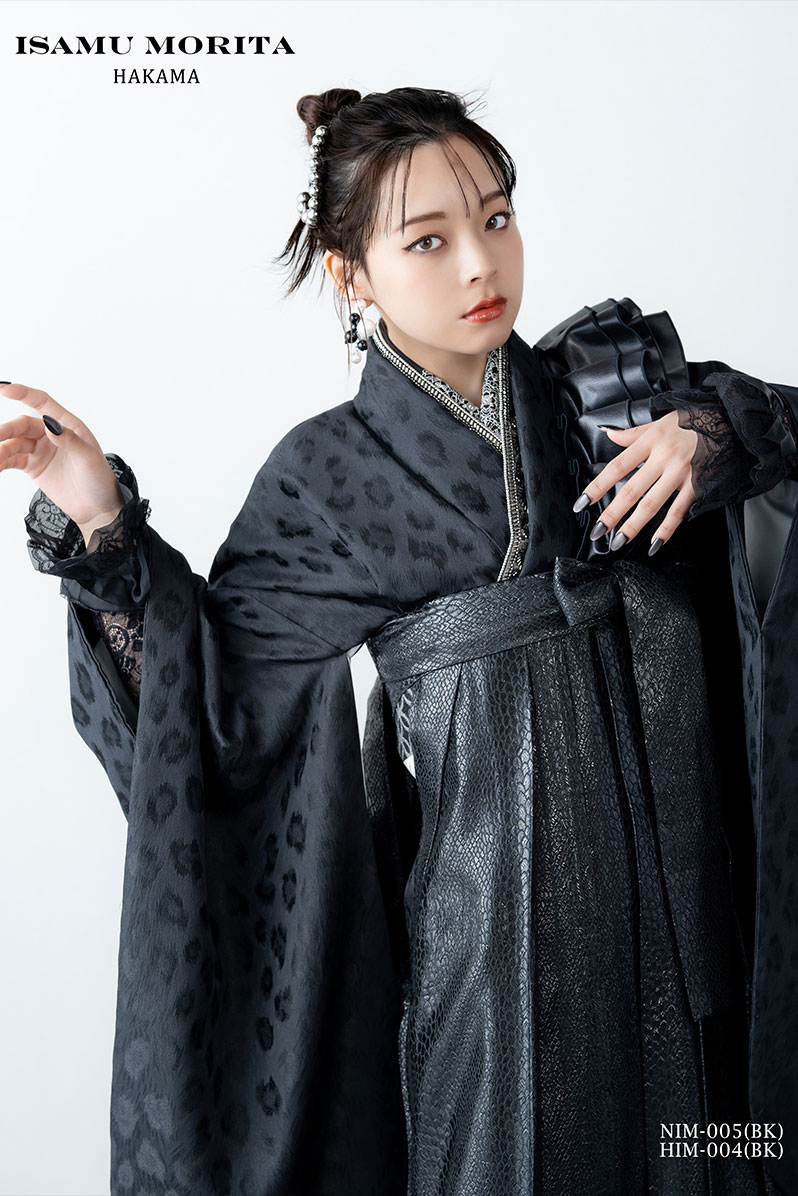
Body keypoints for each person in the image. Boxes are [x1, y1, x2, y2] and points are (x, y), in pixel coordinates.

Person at [3, 86, 797, 1196]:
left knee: (703, 1153)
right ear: (352, 274)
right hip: (487, 935)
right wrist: (100, 525)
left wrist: (718, 438)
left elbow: (780, 433)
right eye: (428, 240)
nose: (481, 264)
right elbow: (213, 722)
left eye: (497, 218)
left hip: (677, 897)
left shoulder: (606, 394)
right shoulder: (324, 479)